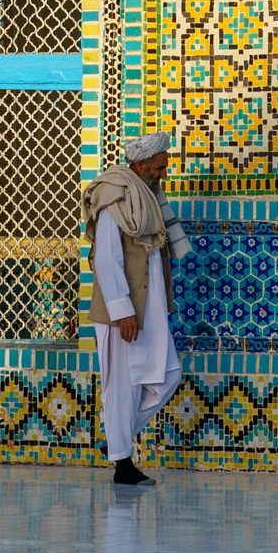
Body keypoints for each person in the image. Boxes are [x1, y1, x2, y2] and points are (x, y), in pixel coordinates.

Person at [85, 131, 192, 485]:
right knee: (123, 385)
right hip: (125, 312)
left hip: (151, 308)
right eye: (160, 167)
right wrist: (122, 311)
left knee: (167, 377)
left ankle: (115, 442)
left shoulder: (146, 194)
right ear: (142, 164)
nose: (164, 173)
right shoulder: (114, 194)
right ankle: (122, 464)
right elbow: (107, 258)